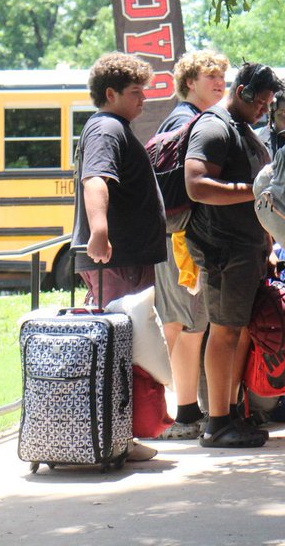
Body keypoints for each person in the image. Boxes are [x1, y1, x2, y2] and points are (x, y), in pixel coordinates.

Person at [72, 52, 168, 462]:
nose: (143, 99)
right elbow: (95, 178)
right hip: (116, 260)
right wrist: (99, 231)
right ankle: (115, 439)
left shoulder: (114, 127)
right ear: (110, 93)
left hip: (127, 259)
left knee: (127, 348)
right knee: (117, 349)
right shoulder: (106, 128)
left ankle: (119, 436)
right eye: (135, 92)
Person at [184, 61, 281, 449]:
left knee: (237, 332)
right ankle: (217, 422)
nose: (263, 110)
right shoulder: (214, 126)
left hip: (246, 249)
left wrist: (267, 240)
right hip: (223, 249)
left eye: (268, 104)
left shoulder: (240, 128)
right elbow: (196, 185)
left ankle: (231, 413)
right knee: (223, 332)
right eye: (260, 102)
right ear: (241, 92)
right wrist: (252, 191)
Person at [152, 49, 229, 440]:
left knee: (184, 323)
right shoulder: (188, 121)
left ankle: (185, 411)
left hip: (175, 235)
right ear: (188, 82)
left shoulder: (188, 118)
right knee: (185, 324)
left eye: (221, 76)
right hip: (180, 237)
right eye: (209, 76)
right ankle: (183, 415)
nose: (219, 82)